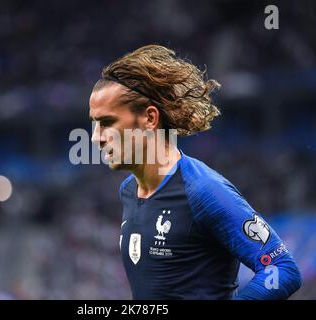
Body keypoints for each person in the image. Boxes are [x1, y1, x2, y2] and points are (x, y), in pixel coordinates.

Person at [88, 45, 301, 299]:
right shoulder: (128, 190)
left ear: (150, 118)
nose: (96, 137)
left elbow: (282, 269)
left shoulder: (203, 191)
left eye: (108, 122)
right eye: (94, 123)